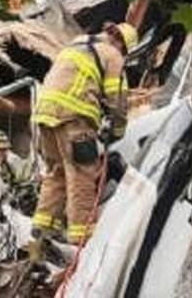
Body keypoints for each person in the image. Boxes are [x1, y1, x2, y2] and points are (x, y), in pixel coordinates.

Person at [29, 21, 136, 253]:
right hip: (75, 118)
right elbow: (117, 100)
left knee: (57, 171)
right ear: (122, 44)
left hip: (44, 116)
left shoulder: (74, 45)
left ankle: (42, 231)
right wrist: (117, 130)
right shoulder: (113, 55)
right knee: (83, 175)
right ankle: (82, 240)